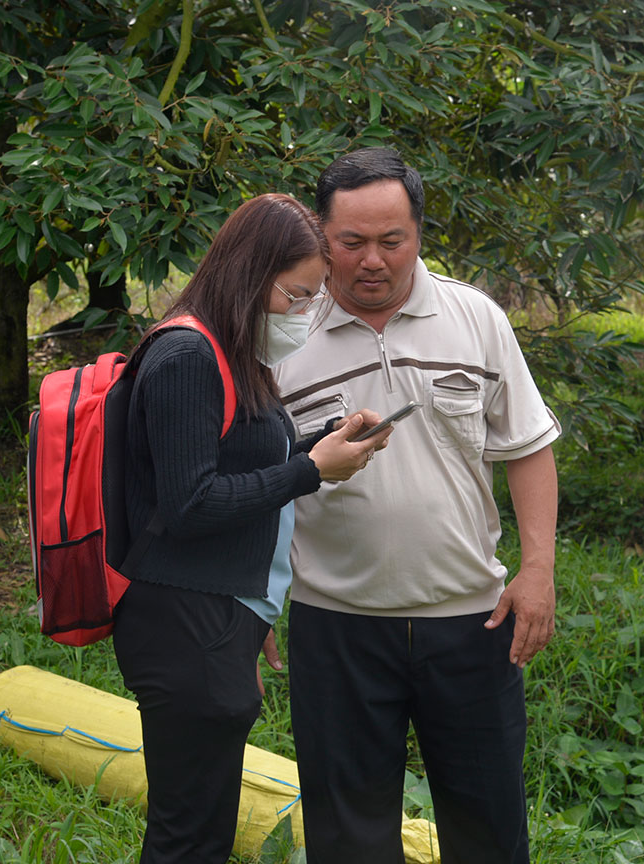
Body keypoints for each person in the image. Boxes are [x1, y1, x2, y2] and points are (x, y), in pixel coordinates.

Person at [274, 148, 561, 864]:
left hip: (469, 621)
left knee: (488, 828)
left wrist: (539, 569)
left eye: (392, 241)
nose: (372, 261)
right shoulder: (283, 334)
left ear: (419, 234)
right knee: (347, 839)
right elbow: (256, 481)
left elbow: (526, 447)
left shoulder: (476, 319)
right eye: (351, 242)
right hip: (334, 625)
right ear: (321, 237)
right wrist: (254, 601)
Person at [109, 192, 390, 864]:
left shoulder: (234, 356)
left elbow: (241, 464)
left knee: (203, 831)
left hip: (219, 617)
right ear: (249, 278)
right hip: (182, 623)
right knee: (187, 837)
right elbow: (191, 504)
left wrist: (322, 444)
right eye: (295, 296)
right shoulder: (186, 357)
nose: (302, 313)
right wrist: (311, 472)